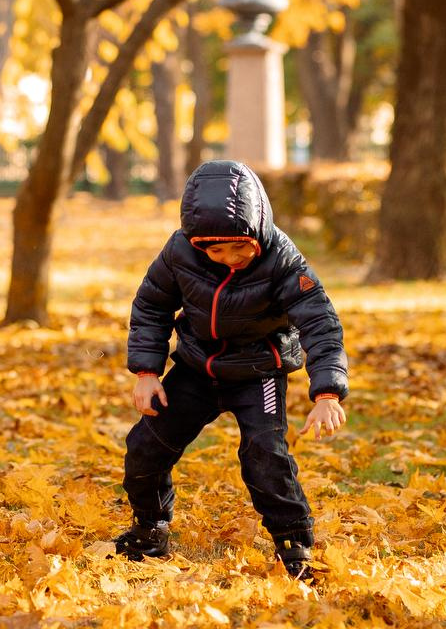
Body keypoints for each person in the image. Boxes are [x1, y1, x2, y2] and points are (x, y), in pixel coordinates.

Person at [119, 161, 347, 578]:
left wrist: (327, 392)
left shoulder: (282, 259)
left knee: (264, 454)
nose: (230, 259)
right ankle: (151, 527)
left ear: (257, 230)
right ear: (197, 243)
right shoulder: (178, 252)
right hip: (195, 369)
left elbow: (320, 323)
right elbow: (151, 305)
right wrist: (147, 372)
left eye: (240, 247)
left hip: (258, 372)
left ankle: (293, 543)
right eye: (216, 251)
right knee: (145, 447)